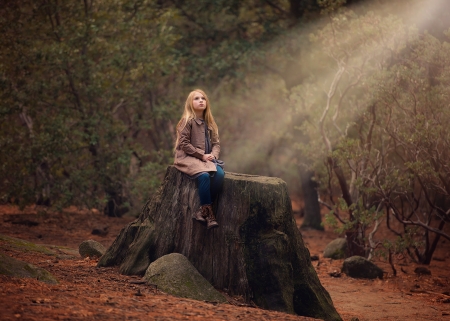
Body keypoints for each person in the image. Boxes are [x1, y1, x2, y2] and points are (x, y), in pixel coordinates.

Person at [173, 89, 224, 229]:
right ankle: (209, 214)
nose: (201, 100)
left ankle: (202, 211)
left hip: (206, 159)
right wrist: (201, 155)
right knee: (204, 176)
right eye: (196, 98)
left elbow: (216, 144)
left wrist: (213, 155)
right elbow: (184, 144)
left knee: (219, 174)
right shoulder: (187, 121)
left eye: (203, 98)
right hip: (189, 158)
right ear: (190, 103)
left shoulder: (211, 123)